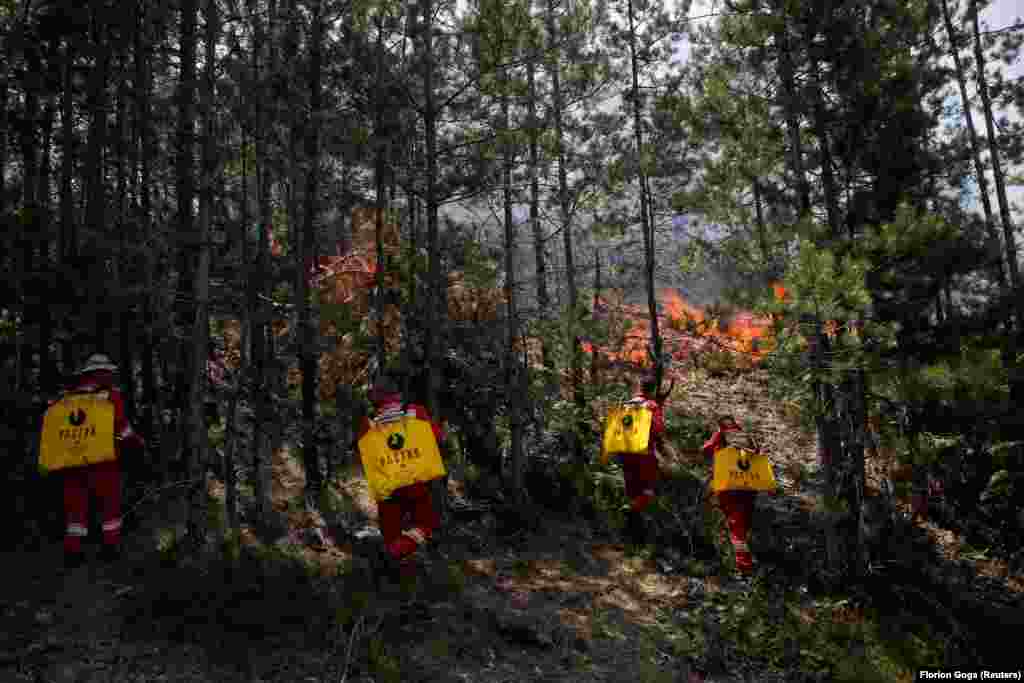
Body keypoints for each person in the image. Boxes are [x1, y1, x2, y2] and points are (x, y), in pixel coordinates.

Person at [48, 354, 145, 568]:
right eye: (108, 372)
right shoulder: (110, 395)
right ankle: (110, 549)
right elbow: (121, 426)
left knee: (75, 506)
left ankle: (73, 551)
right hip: (103, 460)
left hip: (72, 460)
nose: (110, 375)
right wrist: (136, 442)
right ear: (103, 373)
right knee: (109, 504)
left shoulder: (67, 396)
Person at [358, 374, 444, 579]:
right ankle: (395, 558)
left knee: (391, 534)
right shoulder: (416, 412)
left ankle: (393, 580)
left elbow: (365, 456)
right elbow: (438, 438)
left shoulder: (367, 423)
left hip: (387, 488)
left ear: (375, 398)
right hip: (416, 484)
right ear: (397, 394)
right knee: (424, 526)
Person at [702, 415, 755, 576]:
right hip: (749, 487)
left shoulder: (721, 435)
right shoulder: (746, 436)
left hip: (728, 488)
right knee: (742, 525)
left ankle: (744, 566)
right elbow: (758, 454)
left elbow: (706, 450)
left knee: (735, 528)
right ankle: (744, 558)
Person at [620, 374, 667, 547]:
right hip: (644, 453)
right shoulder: (652, 405)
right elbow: (658, 429)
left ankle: (632, 538)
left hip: (625, 452)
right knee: (648, 490)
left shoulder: (627, 404)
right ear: (653, 389)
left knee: (632, 492)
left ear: (640, 387)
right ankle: (630, 513)